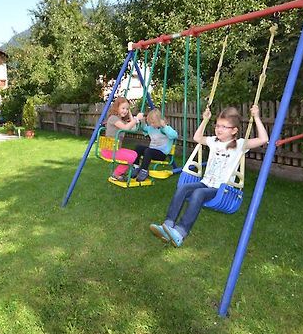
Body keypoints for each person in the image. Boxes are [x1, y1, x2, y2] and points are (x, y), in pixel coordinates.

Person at [150, 105, 269, 247]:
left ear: (234, 130)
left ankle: (180, 232)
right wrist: (205, 120)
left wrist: (256, 117)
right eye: (217, 125)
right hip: (206, 182)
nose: (219, 129)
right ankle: (168, 225)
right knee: (183, 188)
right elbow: (197, 137)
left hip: (222, 189)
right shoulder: (214, 141)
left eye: (224, 127)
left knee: (198, 193)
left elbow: (263, 139)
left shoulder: (240, 144)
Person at [101, 97, 144, 181]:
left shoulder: (121, 120)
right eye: (123, 108)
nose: (125, 111)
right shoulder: (113, 118)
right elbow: (125, 127)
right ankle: (116, 174)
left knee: (134, 154)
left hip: (116, 149)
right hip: (109, 150)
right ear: (117, 108)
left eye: (127, 109)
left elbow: (134, 128)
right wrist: (137, 119)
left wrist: (130, 113)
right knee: (130, 157)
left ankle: (118, 173)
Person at [130, 109, 178, 182]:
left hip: (161, 154)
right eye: (150, 123)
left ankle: (144, 170)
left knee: (148, 151)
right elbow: (145, 129)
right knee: (138, 147)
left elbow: (174, 135)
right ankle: (136, 167)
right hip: (151, 152)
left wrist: (164, 126)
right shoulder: (151, 128)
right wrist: (142, 121)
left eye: (153, 123)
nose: (152, 125)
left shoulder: (165, 129)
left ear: (159, 121)